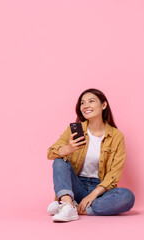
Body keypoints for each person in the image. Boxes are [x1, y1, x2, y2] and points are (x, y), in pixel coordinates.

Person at [47, 88, 135, 222]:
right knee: (59, 160)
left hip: (100, 191)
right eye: (82, 103)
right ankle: (67, 203)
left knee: (127, 196)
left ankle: (71, 208)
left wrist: (92, 195)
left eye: (91, 101)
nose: (85, 106)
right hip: (76, 186)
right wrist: (69, 148)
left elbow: (114, 174)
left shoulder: (116, 136)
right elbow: (51, 152)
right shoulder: (74, 130)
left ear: (103, 105)